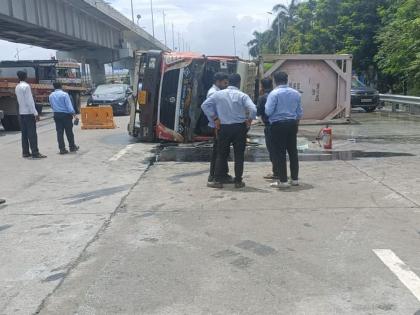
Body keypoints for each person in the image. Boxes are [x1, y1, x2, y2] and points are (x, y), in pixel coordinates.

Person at [201, 73, 257, 189]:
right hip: (239, 128)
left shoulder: (218, 95)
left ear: (228, 82)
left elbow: (204, 106)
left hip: (224, 127)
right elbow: (253, 108)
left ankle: (217, 181)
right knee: (239, 155)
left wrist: (215, 118)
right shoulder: (242, 95)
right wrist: (249, 120)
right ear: (239, 83)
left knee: (221, 154)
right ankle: (238, 181)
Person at [265, 71, 303, 189]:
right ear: (287, 79)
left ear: (275, 81)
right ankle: (295, 179)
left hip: (278, 125)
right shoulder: (296, 93)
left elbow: (268, 111)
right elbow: (299, 112)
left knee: (280, 153)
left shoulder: (274, 94)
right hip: (292, 124)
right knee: (293, 152)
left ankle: (283, 181)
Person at [205, 72, 233, 186]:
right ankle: (214, 176)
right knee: (218, 152)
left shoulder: (217, 91)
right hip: (218, 125)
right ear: (218, 82)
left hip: (219, 124)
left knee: (221, 151)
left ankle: (221, 174)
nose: (226, 85)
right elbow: (207, 108)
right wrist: (215, 119)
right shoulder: (213, 93)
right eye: (224, 82)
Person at [15, 71, 47, 159]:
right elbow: (30, 101)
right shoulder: (26, 86)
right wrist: (35, 113)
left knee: (24, 134)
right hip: (28, 113)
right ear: (26, 77)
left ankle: (25, 152)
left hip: (22, 113)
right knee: (32, 134)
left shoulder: (17, 87)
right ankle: (35, 152)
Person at [49, 82, 79, 154]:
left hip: (56, 115)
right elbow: (69, 107)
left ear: (54, 87)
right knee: (69, 132)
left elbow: (52, 106)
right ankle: (72, 147)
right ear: (61, 86)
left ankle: (62, 149)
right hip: (66, 115)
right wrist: (74, 115)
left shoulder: (51, 95)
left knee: (59, 132)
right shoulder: (65, 94)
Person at [256, 77, 277, 180]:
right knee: (279, 149)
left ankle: (276, 172)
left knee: (272, 150)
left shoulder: (262, 97)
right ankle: (279, 171)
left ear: (262, 86)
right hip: (280, 125)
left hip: (269, 126)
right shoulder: (276, 94)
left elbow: (258, 112)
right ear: (272, 85)